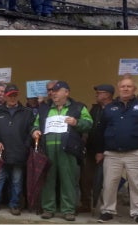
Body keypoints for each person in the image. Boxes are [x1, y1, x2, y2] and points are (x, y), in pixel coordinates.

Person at [96, 75, 138, 224]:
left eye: (129, 86)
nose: (126, 89)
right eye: (123, 86)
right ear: (119, 88)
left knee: (137, 184)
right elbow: (101, 129)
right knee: (109, 184)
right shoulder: (110, 107)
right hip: (112, 154)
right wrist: (99, 151)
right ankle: (108, 211)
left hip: (136, 152)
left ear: (134, 89)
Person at [32, 81, 92, 221]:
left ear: (66, 92)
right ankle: (48, 208)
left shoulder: (78, 107)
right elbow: (35, 124)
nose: (54, 93)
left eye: (57, 91)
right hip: (48, 150)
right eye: (52, 91)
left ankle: (69, 210)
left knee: (68, 180)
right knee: (48, 180)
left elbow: (89, 123)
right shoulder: (44, 108)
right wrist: (35, 131)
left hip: (68, 150)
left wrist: (77, 123)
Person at [0, 84, 33, 216]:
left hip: (19, 154)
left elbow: (30, 132)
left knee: (16, 181)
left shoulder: (27, 112)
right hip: (1, 153)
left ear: (18, 95)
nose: (13, 98)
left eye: (15, 95)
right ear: (5, 97)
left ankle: (14, 205)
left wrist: (25, 146)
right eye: (10, 95)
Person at [79, 83, 114, 213]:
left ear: (107, 95)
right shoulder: (95, 109)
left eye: (99, 92)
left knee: (106, 181)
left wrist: (103, 151)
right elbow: (90, 127)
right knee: (86, 179)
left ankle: (104, 209)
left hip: (108, 151)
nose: (96, 95)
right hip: (91, 150)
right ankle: (86, 204)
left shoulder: (115, 109)